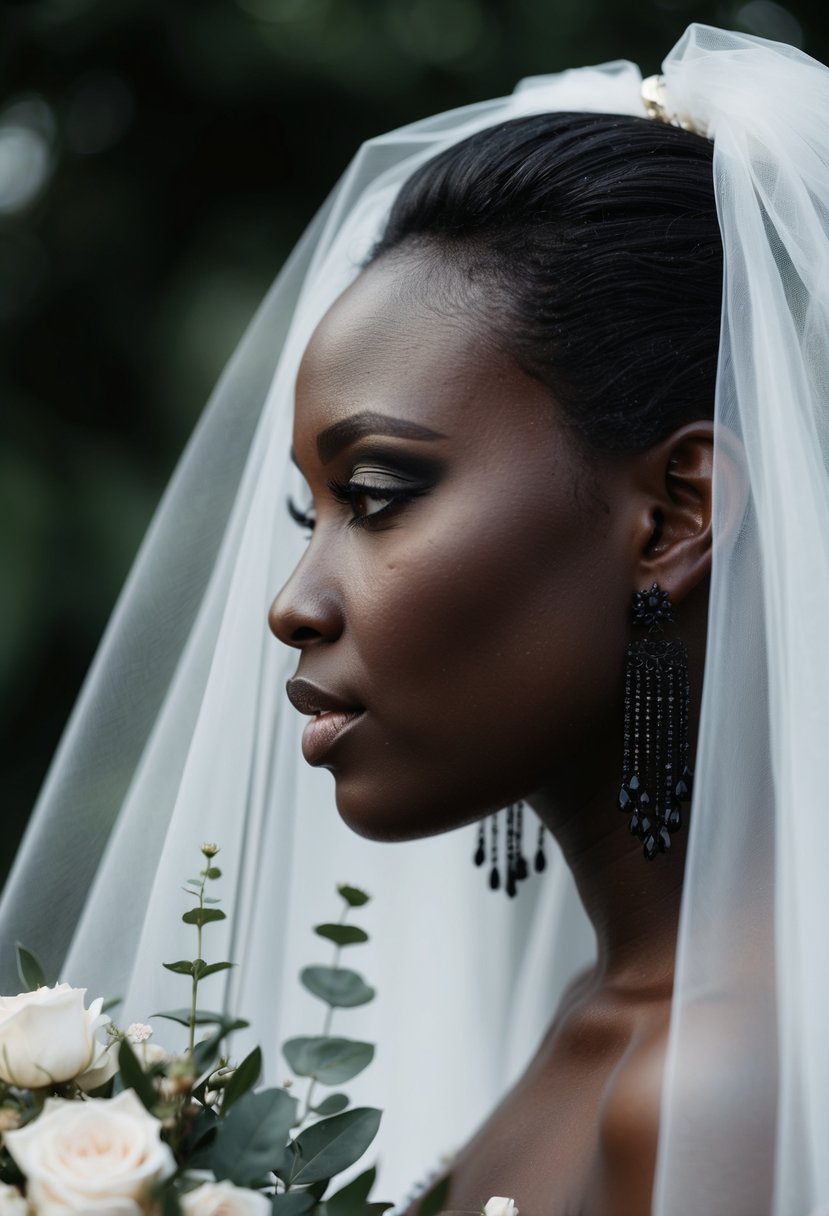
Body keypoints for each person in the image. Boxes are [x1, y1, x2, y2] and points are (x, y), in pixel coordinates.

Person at [2, 21, 829, 1216]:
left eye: (376, 497)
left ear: (673, 516)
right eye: (307, 511)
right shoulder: (611, 1016)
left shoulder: (720, 1090)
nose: (293, 602)